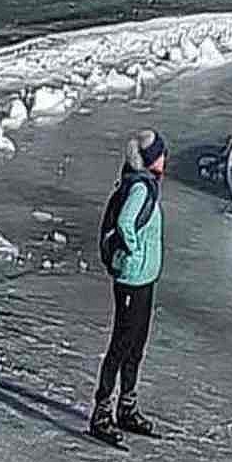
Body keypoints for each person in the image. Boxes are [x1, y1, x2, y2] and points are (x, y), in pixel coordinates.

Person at [91, 129, 167, 445]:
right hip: (132, 279)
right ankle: (101, 413)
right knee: (121, 345)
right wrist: (134, 252)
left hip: (144, 278)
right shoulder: (140, 187)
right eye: (160, 153)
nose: (164, 158)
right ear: (151, 159)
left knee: (136, 345)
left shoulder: (147, 183)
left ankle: (127, 407)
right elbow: (125, 222)